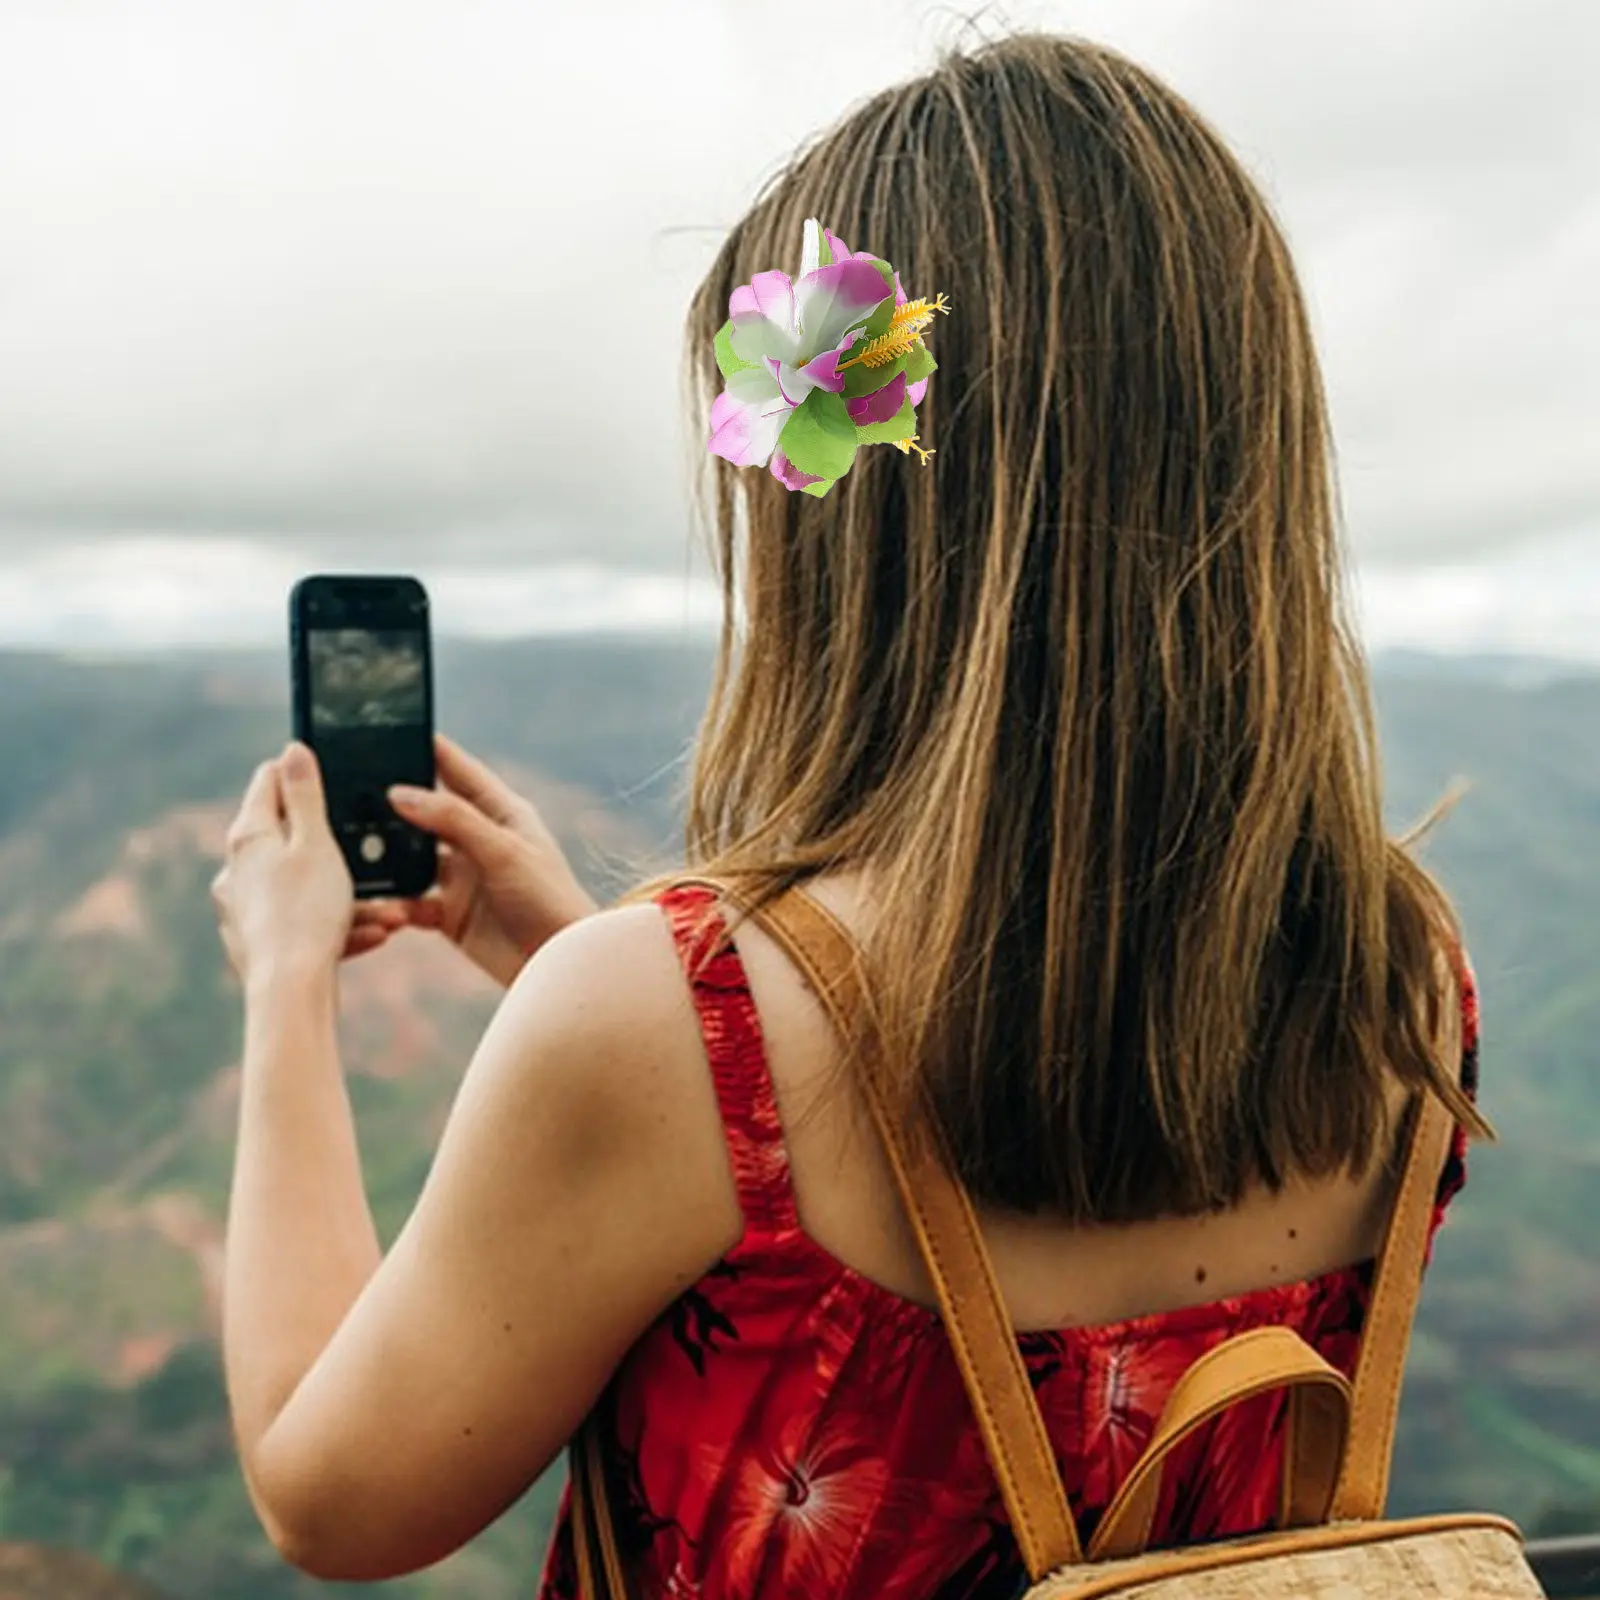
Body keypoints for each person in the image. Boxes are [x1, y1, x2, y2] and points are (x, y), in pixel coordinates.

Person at [209, 32, 1487, 1597]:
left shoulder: (648, 1030)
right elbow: (1011, 1061)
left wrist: (286, 988)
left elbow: (328, 1502)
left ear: (851, 524)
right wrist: (589, 960)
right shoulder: (1402, 971)